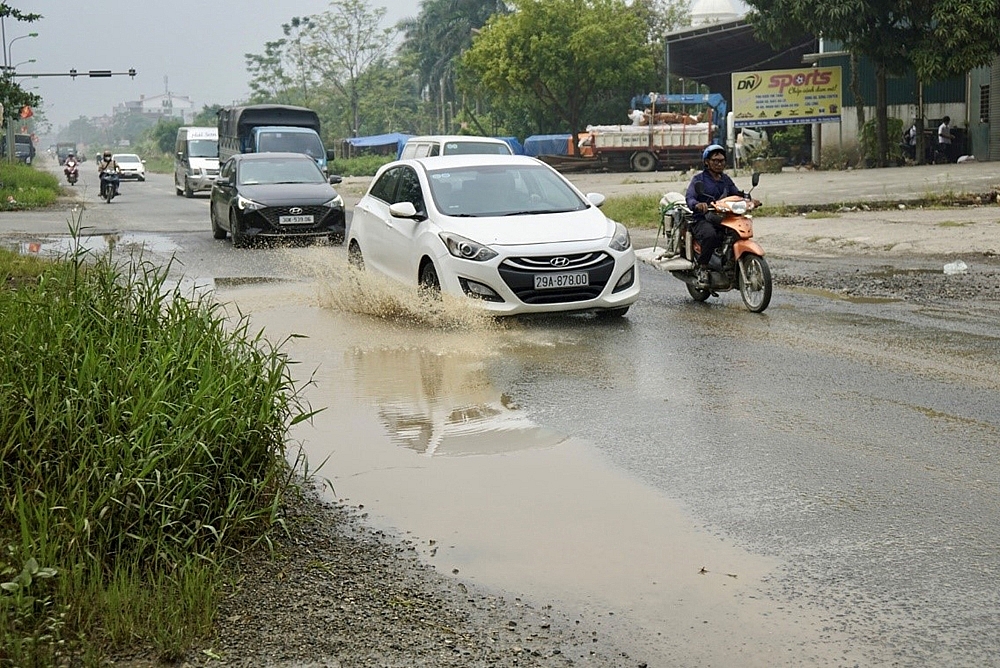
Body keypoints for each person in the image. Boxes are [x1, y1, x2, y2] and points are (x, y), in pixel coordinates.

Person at [685, 144, 759, 288]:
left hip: (724, 217)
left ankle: (731, 263)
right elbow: (690, 197)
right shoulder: (698, 179)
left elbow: (736, 194)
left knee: (736, 233)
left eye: (722, 161)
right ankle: (703, 268)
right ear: (707, 162)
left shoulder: (725, 179)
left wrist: (749, 200)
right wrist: (697, 205)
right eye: (715, 161)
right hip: (703, 218)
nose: (719, 164)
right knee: (710, 235)